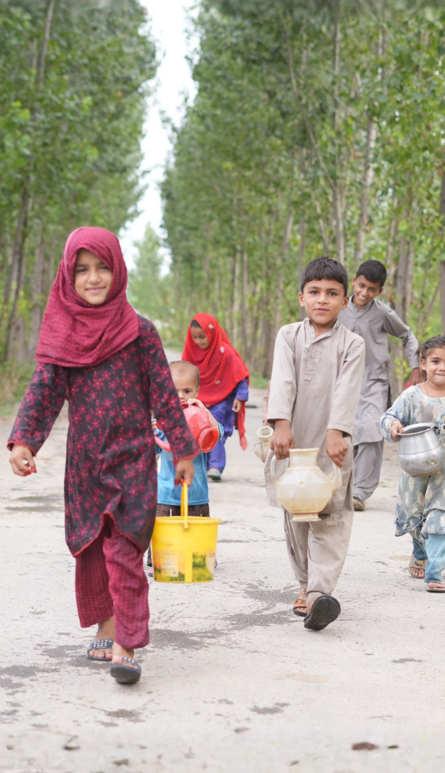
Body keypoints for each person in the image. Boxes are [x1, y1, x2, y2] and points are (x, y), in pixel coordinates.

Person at [8, 227, 198, 685]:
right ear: (67, 279)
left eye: (103, 268)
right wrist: (24, 441)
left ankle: (127, 644)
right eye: (83, 270)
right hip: (85, 464)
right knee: (93, 546)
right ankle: (106, 624)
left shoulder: (139, 333)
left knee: (126, 548)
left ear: (119, 270)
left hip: (134, 459)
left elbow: (164, 396)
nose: (94, 278)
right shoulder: (63, 334)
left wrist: (183, 448)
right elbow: (44, 391)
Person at [261, 257, 366, 632]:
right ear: (301, 297)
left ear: (346, 300)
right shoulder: (289, 335)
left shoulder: (353, 344)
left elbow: (347, 392)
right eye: (315, 292)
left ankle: (322, 594)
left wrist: (337, 431)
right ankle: (304, 585)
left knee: (332, 514)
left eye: (332, 293)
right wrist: (281, 426)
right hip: (293, 443)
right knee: (298, 515)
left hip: (331, 446)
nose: (323, 299)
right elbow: (284, 381)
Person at [382, 335, 445, 593]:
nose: (442, 367)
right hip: (414, 469)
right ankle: (420, 551)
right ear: (423, 363)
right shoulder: (410, 396)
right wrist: (394, 426)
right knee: (415, 516)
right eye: (436, 361)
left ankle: (434, 572)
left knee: (443, 518)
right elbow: (389, 417)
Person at [336, 260, 421, 512]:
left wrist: (416, 367)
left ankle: (360, 492)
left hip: (374, 380)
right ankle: (340, 486)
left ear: (379, 291)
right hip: (340, 379)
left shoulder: (383, 312)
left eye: (371, 289)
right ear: (354, 282)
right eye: (361, 286)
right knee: (345, 431)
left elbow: (407, 335)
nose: (364, 293)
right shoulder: (338, 306)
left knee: (372, 430)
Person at [181, 314, 251, 483]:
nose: (198, 341)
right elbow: (181, 375)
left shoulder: (224, 351)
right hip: (197, 399)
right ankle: (203, 466)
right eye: (195, 337)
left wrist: (240, 397)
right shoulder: (190, 352)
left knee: (212, 427)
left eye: (202, 337)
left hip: (221, 399)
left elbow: (240, 375)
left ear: (212, 333)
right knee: (197, 430)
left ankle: (215, 466)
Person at [156, 361, 219, 520]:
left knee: (196, 542)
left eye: (187, 391)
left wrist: (204, 411)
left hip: (196, 497)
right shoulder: (162, 419)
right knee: (164, 541)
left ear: (197, 392)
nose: (180, 396)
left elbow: (216, 434)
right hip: (166, 497)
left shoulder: (202, 418)